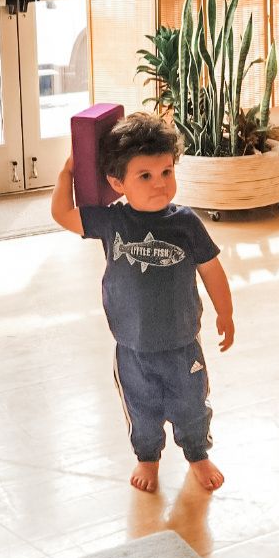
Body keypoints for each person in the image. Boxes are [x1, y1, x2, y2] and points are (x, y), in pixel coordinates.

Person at [51, 111, 234, 494]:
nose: (159, 185)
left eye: (166, 172)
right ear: (117, 182)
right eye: (145, 176)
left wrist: (225, 311)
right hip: (132, 348)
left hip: (183, 344)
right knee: (141, 409)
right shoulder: (111, 222)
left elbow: (212, 269)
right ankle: (147, 458)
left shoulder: (186, 223)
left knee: (192, 406)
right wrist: (69, 172)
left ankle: (197, 454)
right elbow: (63, 214)